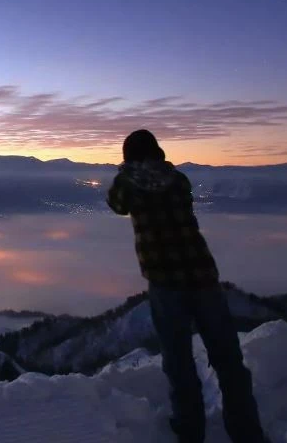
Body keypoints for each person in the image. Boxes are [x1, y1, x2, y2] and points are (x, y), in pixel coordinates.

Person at [106, 129, 268, 443]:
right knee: (228, 360)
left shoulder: (128, 184)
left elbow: (117, 204)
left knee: (178, 361)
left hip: (166, 283)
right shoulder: (178, 180)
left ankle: (190, 430)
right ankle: (247, 433)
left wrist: (125, 172)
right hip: (203, 276)